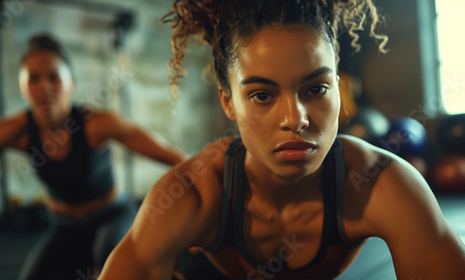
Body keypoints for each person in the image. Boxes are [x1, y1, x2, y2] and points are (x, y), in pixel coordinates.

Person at [99, 0, 465, 279]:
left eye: (316, 88)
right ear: (228, 100)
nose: (295, 120)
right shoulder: (192, 195)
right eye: (262, 95)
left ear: (338, 87)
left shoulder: (380, 183)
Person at [0, 34, 186, 280]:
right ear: (21, 86)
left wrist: (209, 196)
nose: (45, 87)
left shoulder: (97, 124)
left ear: (72, 84)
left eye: (54, 78)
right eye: (34, 78)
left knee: (110, 265)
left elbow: (173, 156)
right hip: (65, 225)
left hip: (112, 215)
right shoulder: (16, 131)